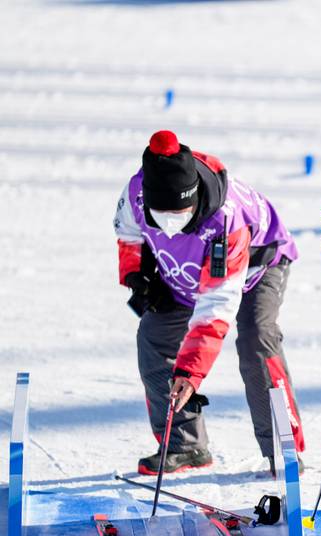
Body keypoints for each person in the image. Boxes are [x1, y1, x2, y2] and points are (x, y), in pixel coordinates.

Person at [113, 130, 304, 476]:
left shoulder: (226, 219)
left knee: (255, 338)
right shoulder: (135, 193)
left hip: (255, 269)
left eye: (181, 212)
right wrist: (137, 275)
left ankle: (282, 446)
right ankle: (183, 444)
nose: (171, 222)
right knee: (153, 336)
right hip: (183, 271)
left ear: (196, 198)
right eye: (162, 214)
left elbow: (217, 305)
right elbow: (128, 233)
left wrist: (190, 372)